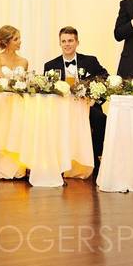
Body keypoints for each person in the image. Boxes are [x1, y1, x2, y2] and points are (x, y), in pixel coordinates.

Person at [44, 26, 109, 173]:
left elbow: (106, 78)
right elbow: (47, 90)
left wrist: (95, 99)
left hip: (86, 106)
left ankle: (94, 157)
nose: (67, 44)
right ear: (59, 43)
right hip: (61, 110)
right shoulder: (50, 65)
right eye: (64, 41)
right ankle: (58, 160)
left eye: (70, 41)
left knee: (101, 119)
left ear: (77, 42)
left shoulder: (90, 61)